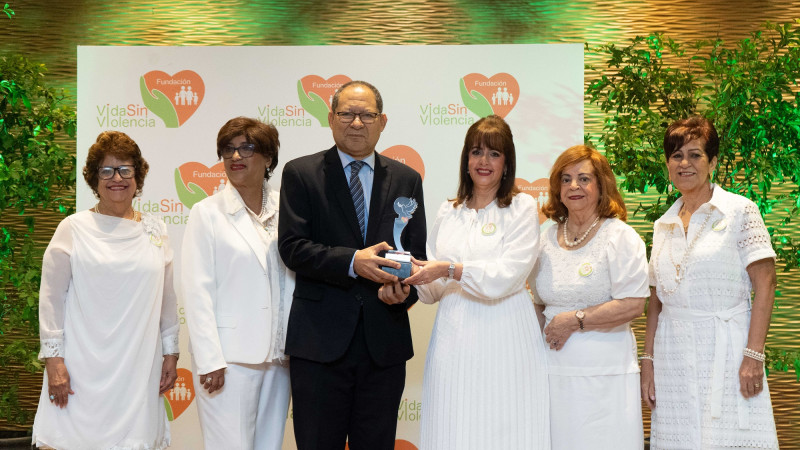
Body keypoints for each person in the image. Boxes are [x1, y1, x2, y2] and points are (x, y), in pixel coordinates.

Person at [278, 80, 426, 450]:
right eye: (346, 113)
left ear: (382, 121)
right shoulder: (302, 173)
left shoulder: (407, 179)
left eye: (366, 114)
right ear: (330, 118)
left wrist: (403, 294)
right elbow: (292, 247)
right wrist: (352, 262)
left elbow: (415, 255)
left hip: (384, 344)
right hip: (319, 344)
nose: (356, 123)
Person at [404, 115, 550, 449]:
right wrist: (413, 275)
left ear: (507, 162)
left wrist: (450, 269)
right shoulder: (449, 210)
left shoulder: (523, 207)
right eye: (476, 152)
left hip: (506, 332)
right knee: (452, 421)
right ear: (465, 160)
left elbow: (508, 276)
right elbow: (434, 289)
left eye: (494, 154)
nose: (483, 161)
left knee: (506, 422)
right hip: (454, 335)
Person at [32, 131, 179, 449]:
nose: (117, 178)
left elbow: (167, 300)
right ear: (94, 177)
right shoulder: (73, 228)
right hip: (81, 368)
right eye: (107, 170)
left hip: (138, 366)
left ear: (138, 176)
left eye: (126, 169)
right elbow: (51, 298)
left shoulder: (156, 229)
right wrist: (54, 362)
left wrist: (171, 353)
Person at [642, 117, 779, 449]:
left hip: (729, 352)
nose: (684, 163)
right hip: (672, 356)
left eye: (695, 155)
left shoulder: (739, 211)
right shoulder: (663, 225)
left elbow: (767, 283)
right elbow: (656, 302)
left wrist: (753, 355)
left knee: (733, 437)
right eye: (676, 155)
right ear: (667, 163)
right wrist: (648, 362)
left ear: (713, 162)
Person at [181, 117, 294, 450]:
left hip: (280, 357)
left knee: (269, 446)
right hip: (229, 361)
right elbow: (197, 291)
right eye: (228, 150)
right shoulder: (207, 213)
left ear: (268, 157)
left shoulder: (289, 211)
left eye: (247, 147)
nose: (235, 157)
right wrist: (209, 359)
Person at [530, 144, 648, 449]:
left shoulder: (620, 237)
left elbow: (634, 304)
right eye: (566, 179)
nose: (574, 186)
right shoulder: (543, 236)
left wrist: (574, 320)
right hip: (551, 371)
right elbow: (538, 302)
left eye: (584, 178)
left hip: (604, 374)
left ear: (601, 184)